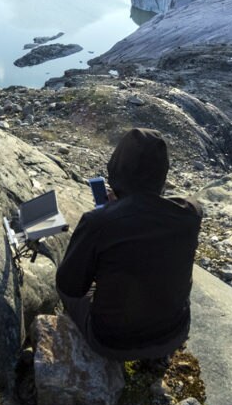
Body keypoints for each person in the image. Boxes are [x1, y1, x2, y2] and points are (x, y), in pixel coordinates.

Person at [55, 128, 203, 361]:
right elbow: (154, 212)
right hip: (174, 332)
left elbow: (69, 285)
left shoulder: (99, 222)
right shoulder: (191, 213)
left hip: (112, 342)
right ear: (162, 174)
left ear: (116, 169)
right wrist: (129, 202)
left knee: (70, 288)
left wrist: (117, 208)